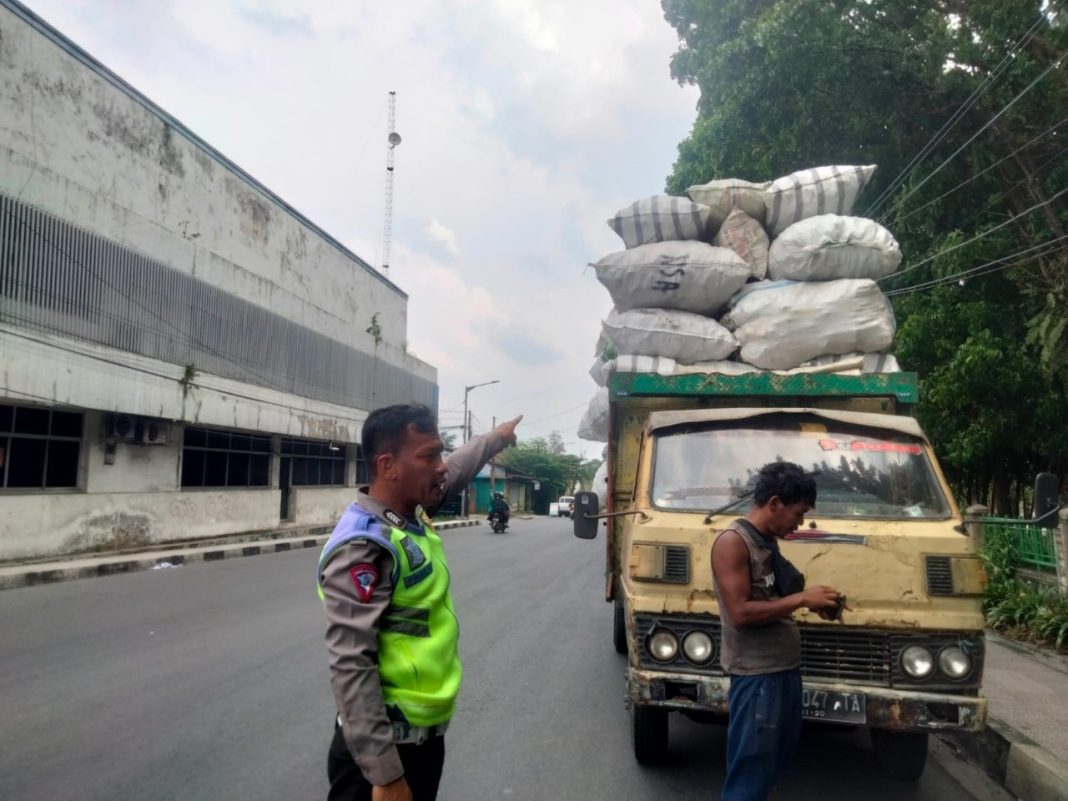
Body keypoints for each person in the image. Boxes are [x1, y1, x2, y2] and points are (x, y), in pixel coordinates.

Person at [317, 404, 522, 801]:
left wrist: (495, 439)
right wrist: (385, 774)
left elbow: (459, 469)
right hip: (384, 755)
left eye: (439, 453)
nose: (441, 466)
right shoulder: (362, 545)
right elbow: (350, 663)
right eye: (429, 456)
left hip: (423, 744)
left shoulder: (408, 515)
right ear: (388, 465)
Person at [710, 462, 844, 801]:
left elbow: (774, 598)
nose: (799, 524)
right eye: (797, 514)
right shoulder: (733, 543)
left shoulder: (767, 541)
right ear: (773, 503)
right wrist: (802, 598)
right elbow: (739, 612)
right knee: (749, 779)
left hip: (783, 674)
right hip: (758, 679)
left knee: (770, 774)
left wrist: (817, 603)